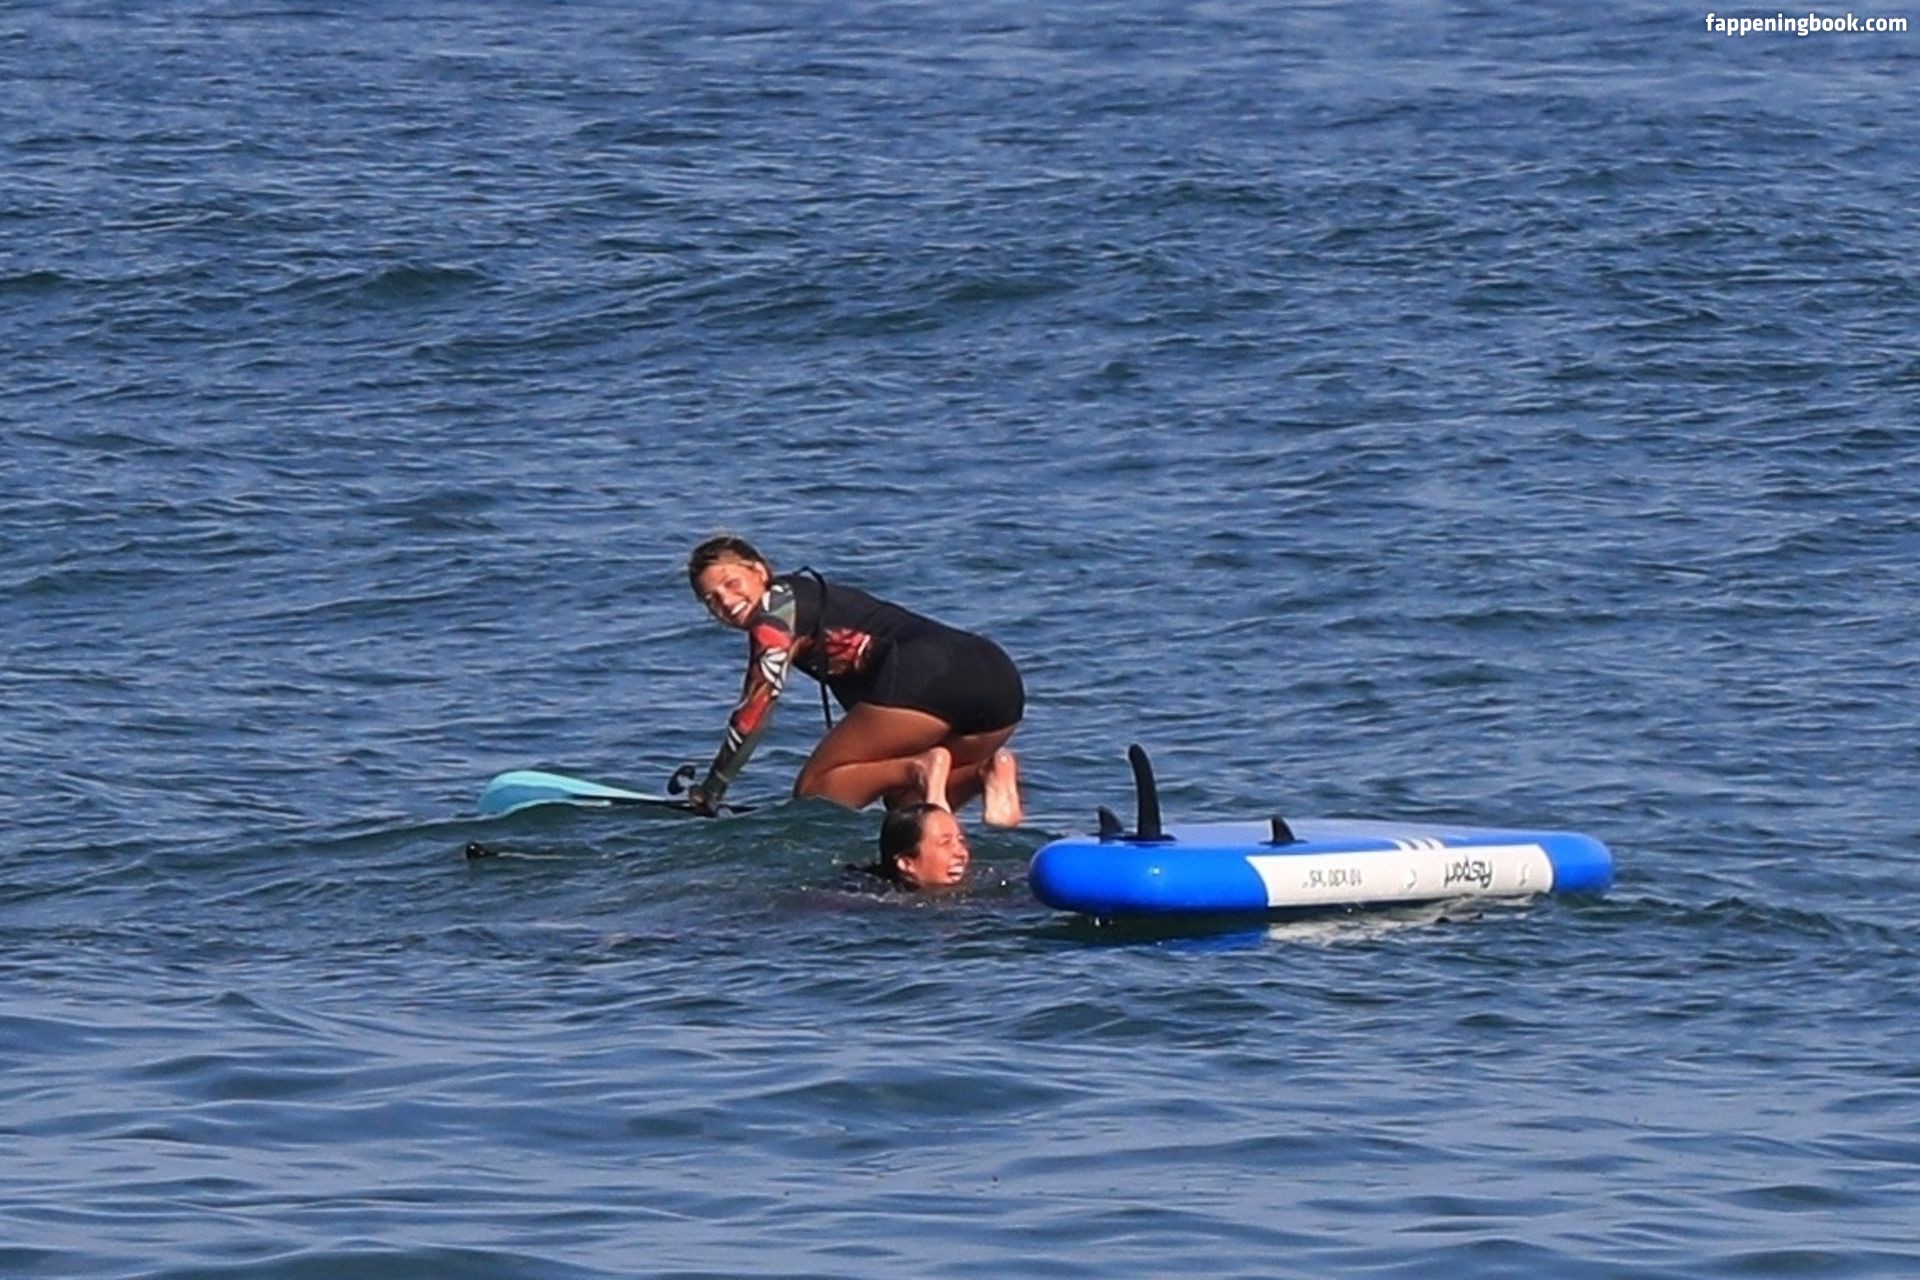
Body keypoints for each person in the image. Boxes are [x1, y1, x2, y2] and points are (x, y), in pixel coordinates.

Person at [683, 534, 1024, 824]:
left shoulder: (774, 611)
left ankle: (920, 766)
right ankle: (985, 772)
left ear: (759, 571)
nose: (726, 602)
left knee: (815, 792)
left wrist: (713, 788)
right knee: (905, 804)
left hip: (926, 670)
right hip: (997, 678)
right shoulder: (811, 599)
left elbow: (754, 712)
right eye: (711, 600)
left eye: (731, 584)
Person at [870, 745, 971, 890]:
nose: (961, 853)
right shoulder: (871, 898)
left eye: (961, 840)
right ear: (907, 863)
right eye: (945, 843)